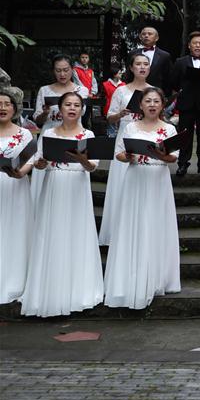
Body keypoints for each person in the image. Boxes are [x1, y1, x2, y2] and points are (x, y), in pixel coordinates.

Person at [20, 92, 103, 317]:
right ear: (61, 108)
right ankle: (49, 289)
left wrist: (82, 158)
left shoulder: (88, 134)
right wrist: (41, 162)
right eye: (68, 104)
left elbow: (91, 167)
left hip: (77, 188)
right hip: (53, 187)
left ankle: (79, 290)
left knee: (77, 234)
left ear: (82, 109)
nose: (72, 108)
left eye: (77, 105)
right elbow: (38, 164)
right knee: (52, 234)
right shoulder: (48, 133)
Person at [104, 87, 181, 309]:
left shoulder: (168, 129)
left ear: (162, 104)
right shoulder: (130, 127)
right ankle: (130, 275)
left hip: (158, 181)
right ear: (141, 105)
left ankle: (159, 276)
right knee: (133, 224)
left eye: (157, 101)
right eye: (148, 101)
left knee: (157, 225)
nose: (152, 105)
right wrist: (127, 155)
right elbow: (119, 154)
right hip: (135, 179)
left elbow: (173, 158)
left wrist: (160, 154)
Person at [99, 53, 152, 246]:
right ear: (131, 67)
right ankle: (118, 232)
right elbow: (110, 117)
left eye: (146, 64)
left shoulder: (153, 91)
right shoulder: (121, 91)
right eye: (138, 64)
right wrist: (121, 113)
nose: (142, 67)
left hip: (146, 135)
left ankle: (142, 231)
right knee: (121, 182)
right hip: (125, 134)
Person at [31, 55, 89, 201]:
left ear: (72, 70)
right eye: (58, 70)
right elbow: (38, 120)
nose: (62, 74)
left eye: (65, 70)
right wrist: (45, 112)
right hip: (50, 132)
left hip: (74, 134)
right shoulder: (44, 90)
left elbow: (81, 113)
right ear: (53, 71)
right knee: (45, 171)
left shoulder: (81, 90)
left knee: (74, 168)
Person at [0, 90, 34, 304]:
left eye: (6, 104)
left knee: (15, 230)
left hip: (15, 185)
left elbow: (29, 159)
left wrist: (22, 172)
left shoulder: (24, 134)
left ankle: (14, 280)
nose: (2, 107)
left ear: (14, 108)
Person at [171, 31, 200, 177]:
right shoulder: (180, 62)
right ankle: (183, 164)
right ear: (189, 46)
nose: (197, 45)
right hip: (186, 104)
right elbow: (173, 81)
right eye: (195, 43)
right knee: (185, 135)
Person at [129, 26, 172, 94]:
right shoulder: (132, 53)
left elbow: (167, 78)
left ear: (156, 38)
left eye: (150, 34)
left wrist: (165, 96)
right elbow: (129, 74)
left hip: (156, 93)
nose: (146, 36)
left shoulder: (165, 55)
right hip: (134, 92)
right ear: (140, 37)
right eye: (144, 34)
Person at [73, 49, 98, 129]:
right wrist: (86, 93)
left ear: (89, 59)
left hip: (90, 97)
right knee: (80, 116)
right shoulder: (75, 69)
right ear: (79, 58)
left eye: (86, 57)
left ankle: (86, 135)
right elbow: (77, 82)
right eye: (82, 57)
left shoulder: (91, 71)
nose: (84, 59)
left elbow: (94, 83)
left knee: (87, 116)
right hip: (80, 97)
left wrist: (93, 93)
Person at [101, 65, 125, 137]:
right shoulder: (105, 84)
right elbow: (102, 98)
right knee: (111, 129)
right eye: (119, 73)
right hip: (109, 108)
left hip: (121, 109)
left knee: (121, 129)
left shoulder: (123, 84)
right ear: (114, 74)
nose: (121, 74)